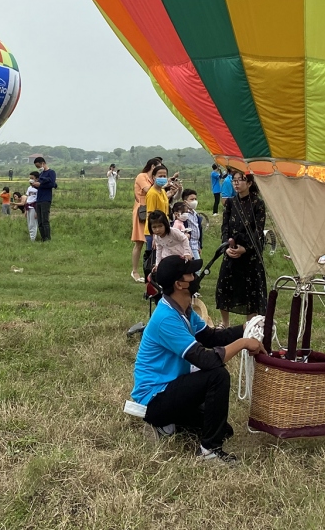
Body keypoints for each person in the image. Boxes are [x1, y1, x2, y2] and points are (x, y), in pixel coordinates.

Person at [130, 254, 263, 463]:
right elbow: (206, 360)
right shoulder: (166, 318)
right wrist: (244, 343)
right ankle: (208, 451)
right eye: (190, 273)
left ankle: (168, 426)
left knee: (224, 429)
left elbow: (211, 337)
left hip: (169, 388)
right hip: (154, 399)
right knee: (217, 376)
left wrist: (246, 328)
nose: (196, 276)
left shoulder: (184, 310)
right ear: (179, 284)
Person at [216, 170, 267, 328]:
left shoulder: (258, 203)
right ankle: (225, 323)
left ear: (250, 183)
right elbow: (225, 227)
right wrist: (226, 246)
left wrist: (245, 248)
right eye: (234, 180)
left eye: (241, 180)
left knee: (250, 290)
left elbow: (258, 231)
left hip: (249, 254)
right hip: (231, 250)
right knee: (224, 286)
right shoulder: (230, 202)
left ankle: (249, 325)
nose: (237, 183)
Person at [131, 157, 161, 282]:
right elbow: (148, 191)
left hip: (152, 210)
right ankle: (135, 271)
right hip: (142, 211)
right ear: (153, 166)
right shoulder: (142, 176)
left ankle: (152, 268)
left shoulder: (154, 180)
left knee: (154, 241)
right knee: (140, 242)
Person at [30, 156, 57, 242]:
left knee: (45, 220)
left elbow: (52, 184)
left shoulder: (51, 172)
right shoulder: (41, 174)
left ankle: (47, 239)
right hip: (39, 199)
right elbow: (40, 187)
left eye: (38, 166)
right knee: (40, 221)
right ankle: (43, 238)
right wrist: (35, 185)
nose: (38, 168)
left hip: (46, 199)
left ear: (43, 163)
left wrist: (40, 184)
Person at [181, 189, 203, 259]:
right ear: (185, 202)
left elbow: (198, 229)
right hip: (189, 245)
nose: (194, 201)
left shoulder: (195, 213)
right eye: (192, 199)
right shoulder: (183, 215)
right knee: (196, 267)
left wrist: (199, 246)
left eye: (195, 199)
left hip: (195, 245)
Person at [25, 171, 39, 240]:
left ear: (36, 179)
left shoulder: (38, 189)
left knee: (32, 223)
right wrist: (25, 209)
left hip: (34, 207)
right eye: (30, 178)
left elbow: (37, 199)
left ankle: (33, 239)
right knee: (29, 223)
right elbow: (27, 198)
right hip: (28, 207)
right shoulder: (29, 188)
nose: (30, 179)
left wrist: (37, 211)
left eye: (32, 178)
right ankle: (31, 237)